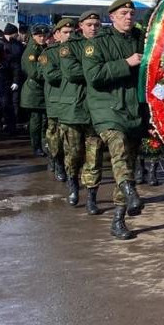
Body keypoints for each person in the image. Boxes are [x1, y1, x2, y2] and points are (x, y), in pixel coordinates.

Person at [81, 0, 147, 240]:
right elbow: (93, 75)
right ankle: (129, 191)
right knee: (118, 149)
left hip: (133, 110)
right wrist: (126, 63)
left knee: (127, 161)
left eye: (131, 13)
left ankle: (118, 219)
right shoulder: (97, 43)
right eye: (123, 13)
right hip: (107, 108)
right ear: (112, 17)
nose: (128, 17)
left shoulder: (140, 41)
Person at [44, 17, 90, 207]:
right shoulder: (50, 53)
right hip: (56, 101)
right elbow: (50, 75)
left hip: (77, 103)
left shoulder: (82, 48)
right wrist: (70, 71)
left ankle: (82, 183)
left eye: (72, 32)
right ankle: (57, 162)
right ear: (56, 35)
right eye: (65, 32)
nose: (69, 35)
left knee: (80, 148)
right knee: (56, 141)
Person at [74, 12, 107, 215]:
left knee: (94, 155)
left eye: (96, 24)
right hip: (77, 109)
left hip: (98, 109)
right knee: (74, 154)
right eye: (89, 24)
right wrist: (95, 70)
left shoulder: (105, 43)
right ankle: (72, 182)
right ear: (81, 26)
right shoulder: (72, 46)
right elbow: (72, 72)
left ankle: (91, 197)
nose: (93, 28)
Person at [20, 25, 50, 157]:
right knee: (36, 121)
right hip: (34, 91)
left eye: (44, 36)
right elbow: (33, 72)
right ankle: (36, 146)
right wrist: (51, 75)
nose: (42, 38)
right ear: (33, 36)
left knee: (43, 120)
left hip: (42, 90)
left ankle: (43, 144)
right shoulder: (32, 51)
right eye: (39, 36)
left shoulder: (42, 48)